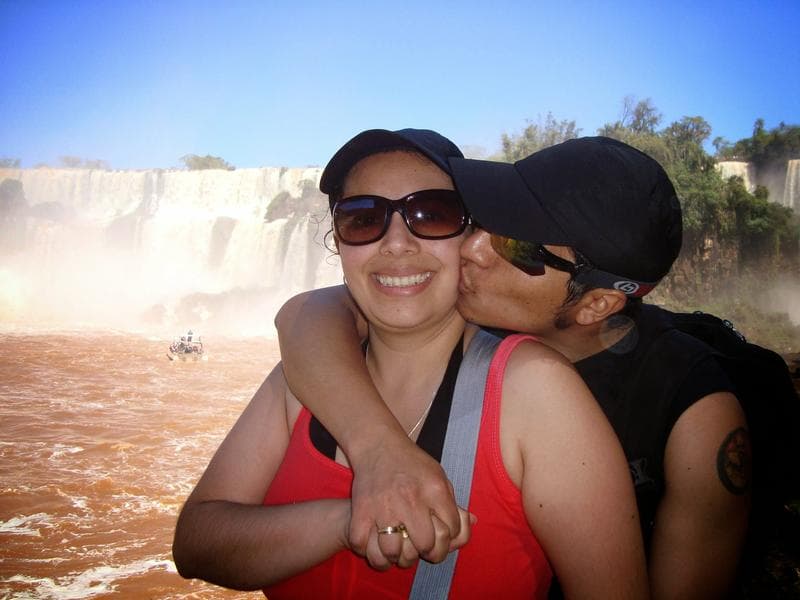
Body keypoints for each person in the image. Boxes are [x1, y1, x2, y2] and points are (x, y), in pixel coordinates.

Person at [173, 129, 649, 598]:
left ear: (470, 236)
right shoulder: (302, 379)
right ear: (339, 243)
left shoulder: (537, 393)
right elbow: (196, 545)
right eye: (363, 218)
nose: (396, 243)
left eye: (432, 214)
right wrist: (351, 519)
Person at [275, 136, 752, 599]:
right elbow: (307, 314)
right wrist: (379, 448)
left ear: (596, 304)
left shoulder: (694, 413)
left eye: (517, 248)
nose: (471, 248)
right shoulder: (475, 314)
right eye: (484, 219)